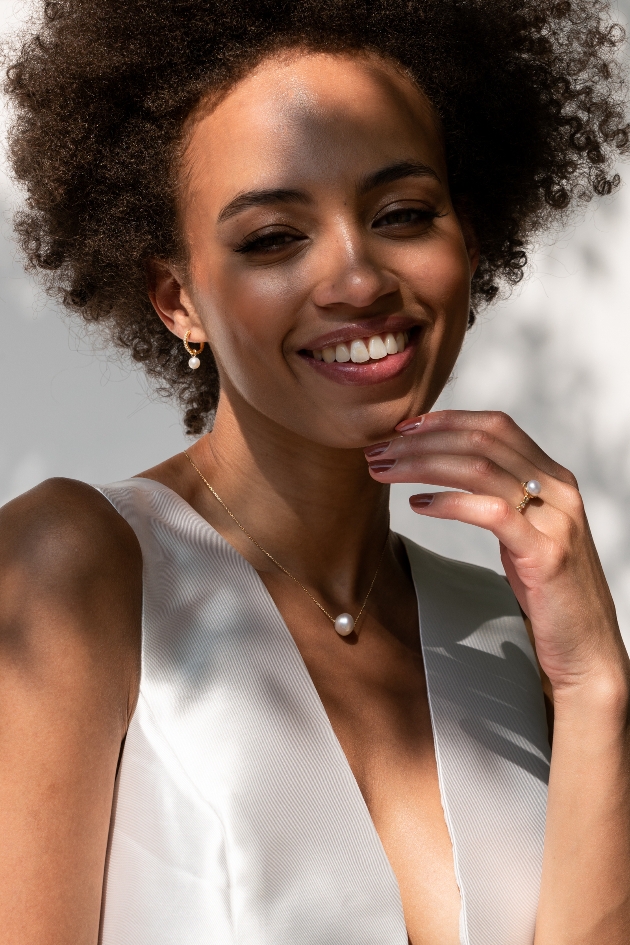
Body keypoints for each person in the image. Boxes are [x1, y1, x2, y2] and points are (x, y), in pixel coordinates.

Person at [1, 1, 629, 942]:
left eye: (403, 215)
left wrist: (594, 689)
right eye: (273, 237)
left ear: (469, 239)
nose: (359, 279)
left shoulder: (513, 630)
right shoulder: (74, 566)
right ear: (177, 300)